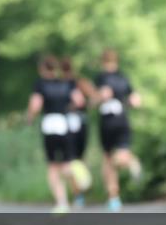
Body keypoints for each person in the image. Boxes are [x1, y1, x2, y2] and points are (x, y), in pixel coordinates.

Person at [26, 54, 86, 213]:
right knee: (67, 163)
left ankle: (62, 202)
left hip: (49, 125)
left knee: (53, 167)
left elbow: (36, 105)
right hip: (64, 124)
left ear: (42, 69)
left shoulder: (40, 85)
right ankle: (78, 176)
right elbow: (80, 101)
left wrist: (30, 118)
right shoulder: (65, 83)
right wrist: (68, 107)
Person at [94, 48, 142, 212]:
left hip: (108, 122)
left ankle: (113, 197)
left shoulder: (101, 78)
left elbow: (96, 98)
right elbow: (136, 100)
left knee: (108, 160)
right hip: (122, 119)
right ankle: (114, 197)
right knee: (117, 156)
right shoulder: (124, 78)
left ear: (103, 61)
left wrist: (98, 98)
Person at [61, 56, 96, 208]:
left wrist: (72, 107)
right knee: (78, 159)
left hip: (68, 125)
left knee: (70, 161)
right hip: (82, 123)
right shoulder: (81, 82)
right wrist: (86, 107)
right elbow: (95, 97)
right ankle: (80, 192)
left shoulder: (60, 85)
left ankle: (79, 194)